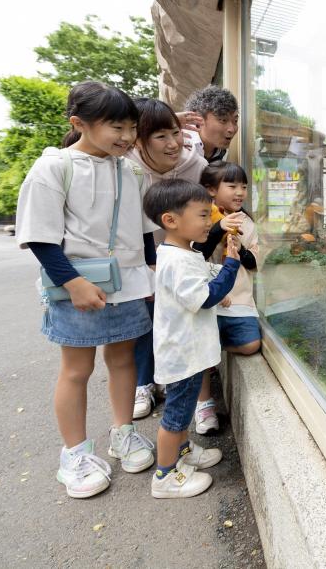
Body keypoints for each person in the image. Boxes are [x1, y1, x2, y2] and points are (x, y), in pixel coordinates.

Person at [15, 81, 157, 499]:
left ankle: (123, 433)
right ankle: (74, 455)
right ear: (79, 123)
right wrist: (72, 282)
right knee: (76, 370)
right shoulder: (53, 167)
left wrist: (150, 274)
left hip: (128, 281)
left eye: (132, 126)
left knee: (124, 360)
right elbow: (40, 237)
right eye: (117, 126)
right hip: (76, 284)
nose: (128, 137)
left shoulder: (131, 170)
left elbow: (145, 233)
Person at [143, 179, 241, 498]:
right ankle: (166, 476)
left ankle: (183, 454)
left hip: (189, 351)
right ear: (170, 220)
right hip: (184, 354)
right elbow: (205, 297)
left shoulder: (182, 252)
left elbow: (201, 282)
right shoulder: (178, 259)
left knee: (183, 411)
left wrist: (217, 280)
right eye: (203, 215)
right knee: (176, 415)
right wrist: (231, 265)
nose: (210, 222)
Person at [126, 97, 209, 420]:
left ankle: (191, 393)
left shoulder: (195, 166)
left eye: (175, 133)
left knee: (184, 324)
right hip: (143, 257)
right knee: (147, 320)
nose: (173, 143)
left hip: (184, 259)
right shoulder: (128, 167)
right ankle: (143, 383)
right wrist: (147, 263)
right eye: (160, 136)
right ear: (139, 138)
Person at [193, 161, 262, 435]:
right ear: (211, 189)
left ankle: (218, 349)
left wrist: (239, 248)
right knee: (202, 356)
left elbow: (255, 262)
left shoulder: (247, 222)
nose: (240, 192)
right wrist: (219, 227)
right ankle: (204, 405)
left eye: (243, 186)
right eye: (232, 185)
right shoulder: (201, 217)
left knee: (250, 345)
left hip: (239, 298)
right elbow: (197, 251)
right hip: (208, 298)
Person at [181, 86, 239, 163]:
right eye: (223, 120)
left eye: (235, 121)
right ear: (198, 118)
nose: (232, 129)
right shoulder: (180, 146)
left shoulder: (222, 152)